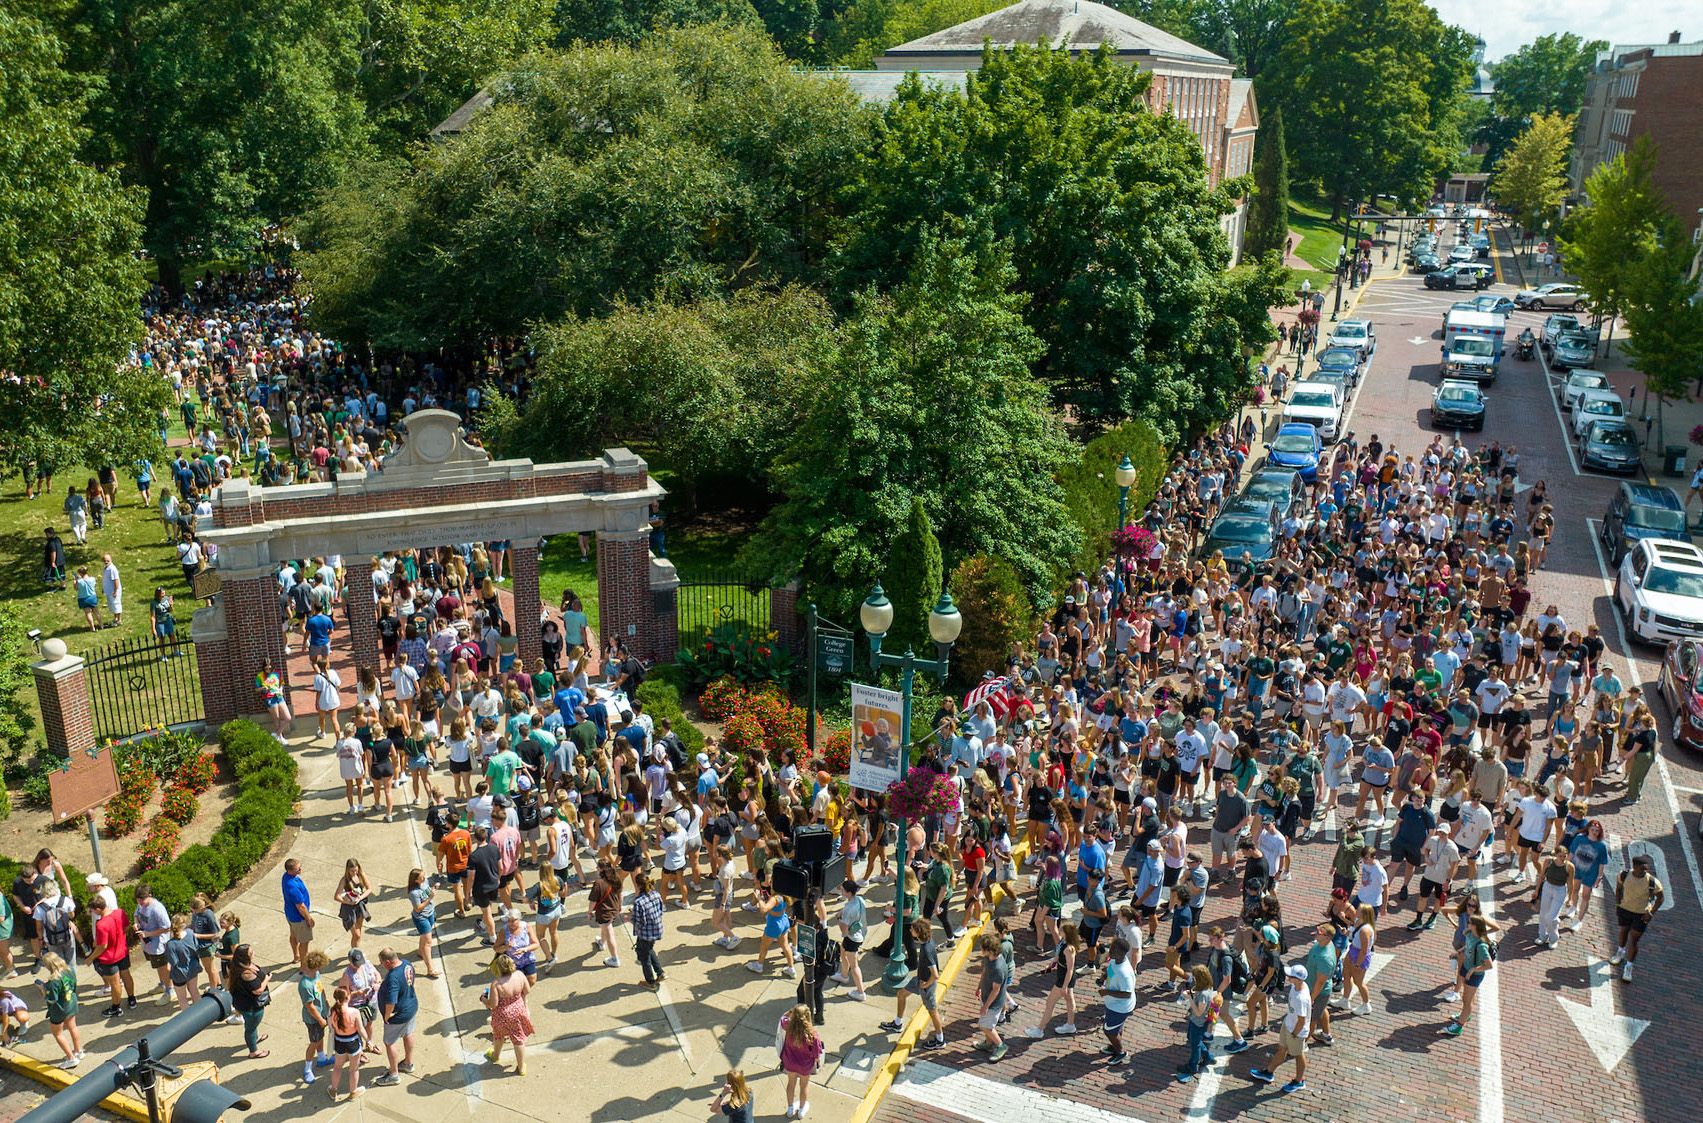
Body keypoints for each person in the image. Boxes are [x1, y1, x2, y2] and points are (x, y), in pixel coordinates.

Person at [880, 918, 944, 1047]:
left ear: (917, 932)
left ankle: (940, 1039)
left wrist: (926, 985)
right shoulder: (928, 942)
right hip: (919, 980)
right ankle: (898, 1023)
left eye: (912, 929)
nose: (910, 930)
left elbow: (935, 974)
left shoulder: (926, 949)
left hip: (926, 984)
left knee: (932, 1011)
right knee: (901, 994)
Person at [1248, 963, 1311, 1092]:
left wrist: (1294, 1033)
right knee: (1281, 1049)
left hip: (1296, 1031)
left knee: (1298, 1055)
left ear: (1298, 979)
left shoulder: (1301, 998)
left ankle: (1299, 1081)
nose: (1288, 978)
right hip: (1288, 1024)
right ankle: (1268, 1072)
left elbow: (1302, 1020)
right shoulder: (1296, 986)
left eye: (1291, 976)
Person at [1611, 853, 1665, 982]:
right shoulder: (1623, 875)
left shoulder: (1652, 882)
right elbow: (1618, 889)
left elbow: (1661, 898)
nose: (1644, 872)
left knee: (1634, 939)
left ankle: (1629, 967)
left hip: (1641, 914)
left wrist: (1651, 913)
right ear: (1634, 867)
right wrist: (1618, 904)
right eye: (1642, 869)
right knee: (1623, 931)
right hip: (1625, 909)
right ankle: (1620, 952)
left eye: (1646, 869)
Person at [1025, 922, 1082, 1038]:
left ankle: (1039, 1030)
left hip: (1064, 978)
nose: (1058, 931)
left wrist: (1064, 986)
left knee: (1050, 1003)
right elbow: (1057, 956)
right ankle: (1070, 1025)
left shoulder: (1069, 949)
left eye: (1061, 930)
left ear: (1066, 933)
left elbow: (1070, 969)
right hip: (1063, 976)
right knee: (1069, 1000)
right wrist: (1051, 965)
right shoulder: (1062, 943)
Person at [371, 948, 417, 1086]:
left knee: (389, 1042)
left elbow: (391, 1001)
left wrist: (387, 1015)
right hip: (411, 1006)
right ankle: (408, 1063)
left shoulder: (393, 977)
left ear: (388, 961)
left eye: (382, 962)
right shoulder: (407, 964)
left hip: (398, 1015)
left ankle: (393, 1074)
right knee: (408, 1033)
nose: (381, 965)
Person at [1446, 916, 1496, 1035]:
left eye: (1470, 922)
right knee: (1467, 998)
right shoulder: (1470, 934)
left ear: (1476, 926)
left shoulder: (1481, 945)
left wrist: (1473, 970)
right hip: (1466, 967)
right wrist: (1458, 952)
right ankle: (1465, 1015)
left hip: (1474, 974)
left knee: (1467, 1000)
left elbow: (1489, 965)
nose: (1467, 923)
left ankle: (1458, 1027)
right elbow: (1467, 946)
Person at [89, 897, 137, 1019]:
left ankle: (116, 1008)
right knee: (126, 975)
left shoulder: (101, 924)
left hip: (109, 959)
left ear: (98, 909)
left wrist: (91, 957)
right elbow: (126, 927)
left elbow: (102, 946)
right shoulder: (120, 912)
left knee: (115, 983)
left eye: (92, 910)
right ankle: (132, 999)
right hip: (123, 951)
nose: (92, 913)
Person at [777, 1003, 824, 1118]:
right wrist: (817, 1061)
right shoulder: (812, 1033)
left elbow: (782, 1017)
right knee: (804, 1086)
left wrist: (791, 1010)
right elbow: (816, 1052)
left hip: (790, 1061)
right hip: (805, 1064)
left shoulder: (787, 1026)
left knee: (791, 1084)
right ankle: (802, 1110)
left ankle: (790, 1109)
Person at [37, 951, 81, 1068]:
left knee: (58, 1034)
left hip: (59, 1010)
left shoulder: (53, 981)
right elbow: (74, 985)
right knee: (73, 1027)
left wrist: (42, 989)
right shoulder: (70, 970)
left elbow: (51, 999)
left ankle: (71, 1058)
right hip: (71, 1003)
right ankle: (78, 1051)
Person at [298, 950, 335, 1084]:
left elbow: (321, 988)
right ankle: (307, 1068)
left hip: (322, 1013)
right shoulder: (305, 984)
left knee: (320, 1037)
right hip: (313, 1019)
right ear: (317, 966)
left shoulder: (316, 974)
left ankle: (321, 1058)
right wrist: (320, 1020)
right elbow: (310, 1006)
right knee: (314, 1042)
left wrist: (326, 1003)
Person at [1099, 936, 1137, 1065]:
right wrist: (1103, 977)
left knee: (1108, 1030)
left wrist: (1106, 992)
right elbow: (1110, 971)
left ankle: (1120, 1052)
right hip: (1113, 1004)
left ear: (1121, 952)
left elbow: (1127, 993)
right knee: (1116, 1028)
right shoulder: (1115, 960)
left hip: (1120, 1007)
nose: (1110, 951)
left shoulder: (1125, 972)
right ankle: (1114, 1046)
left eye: (1113, 949)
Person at [230, 944, 271, 1059]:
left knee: (252, 1025)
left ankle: (254, 1038)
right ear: (244, 957)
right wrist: (266, 979)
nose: (254, 954)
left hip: (243, 1002)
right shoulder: (247, 974)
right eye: (251, 953)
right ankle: (254, 1051)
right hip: (250, 1007)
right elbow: (258, 990)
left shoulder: (238, 965)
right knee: (251, 1028)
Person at [832, 879, 868, 1001]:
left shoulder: (848, 910)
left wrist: (838, 919)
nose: (841, 891)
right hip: (859, 934)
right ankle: (844, 975)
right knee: (843, 951)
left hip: (852, 938)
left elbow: (844, 930)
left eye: (842, 890)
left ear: (848, 893)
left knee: (855, 966)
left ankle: (860, 992)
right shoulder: (860, 900)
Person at [327, 984, 365, 1100]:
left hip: (339, 1042)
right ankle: (353, 1092)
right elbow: (361, 1029)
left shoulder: (331, 1011)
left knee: (337, 1067)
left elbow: (330, 1028)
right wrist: (369, 1041)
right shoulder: (354, 1012)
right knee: (353, 1069)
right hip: (353, 1042)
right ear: (348, 998)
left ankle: (333, 1090)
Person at [164, 914, 202, 1009]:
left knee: (182, 999)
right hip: (193, 967)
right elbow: (196, 947)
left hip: (179, 973)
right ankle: (200, 1013)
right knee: (194, 991)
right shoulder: (190, 933)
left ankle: (189, 1019)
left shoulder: (171, 944)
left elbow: (173, 962)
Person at [282, 858, 314, 969]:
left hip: (290, 915)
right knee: (304, 942)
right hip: (299, 918)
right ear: (290, 870)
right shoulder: (293, 886)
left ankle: (296, 956)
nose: (300, 869)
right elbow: (301, 906)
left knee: (293, 935)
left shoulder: (286, 877)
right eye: (297, 868)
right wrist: (309, 919)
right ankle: (304, 966)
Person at [336, 859, 374, 948]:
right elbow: (337, 896)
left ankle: (356, 951)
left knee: (358, 933)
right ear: (347, 870)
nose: (354, 873)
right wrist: (348, 902)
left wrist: (360, 897)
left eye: (356, 870)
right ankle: (354, 954)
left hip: (359, 906)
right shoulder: (345, 880)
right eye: (352, 871)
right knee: (357, 935)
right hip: (348, 909)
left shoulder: (361, 875)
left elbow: (369, 889)